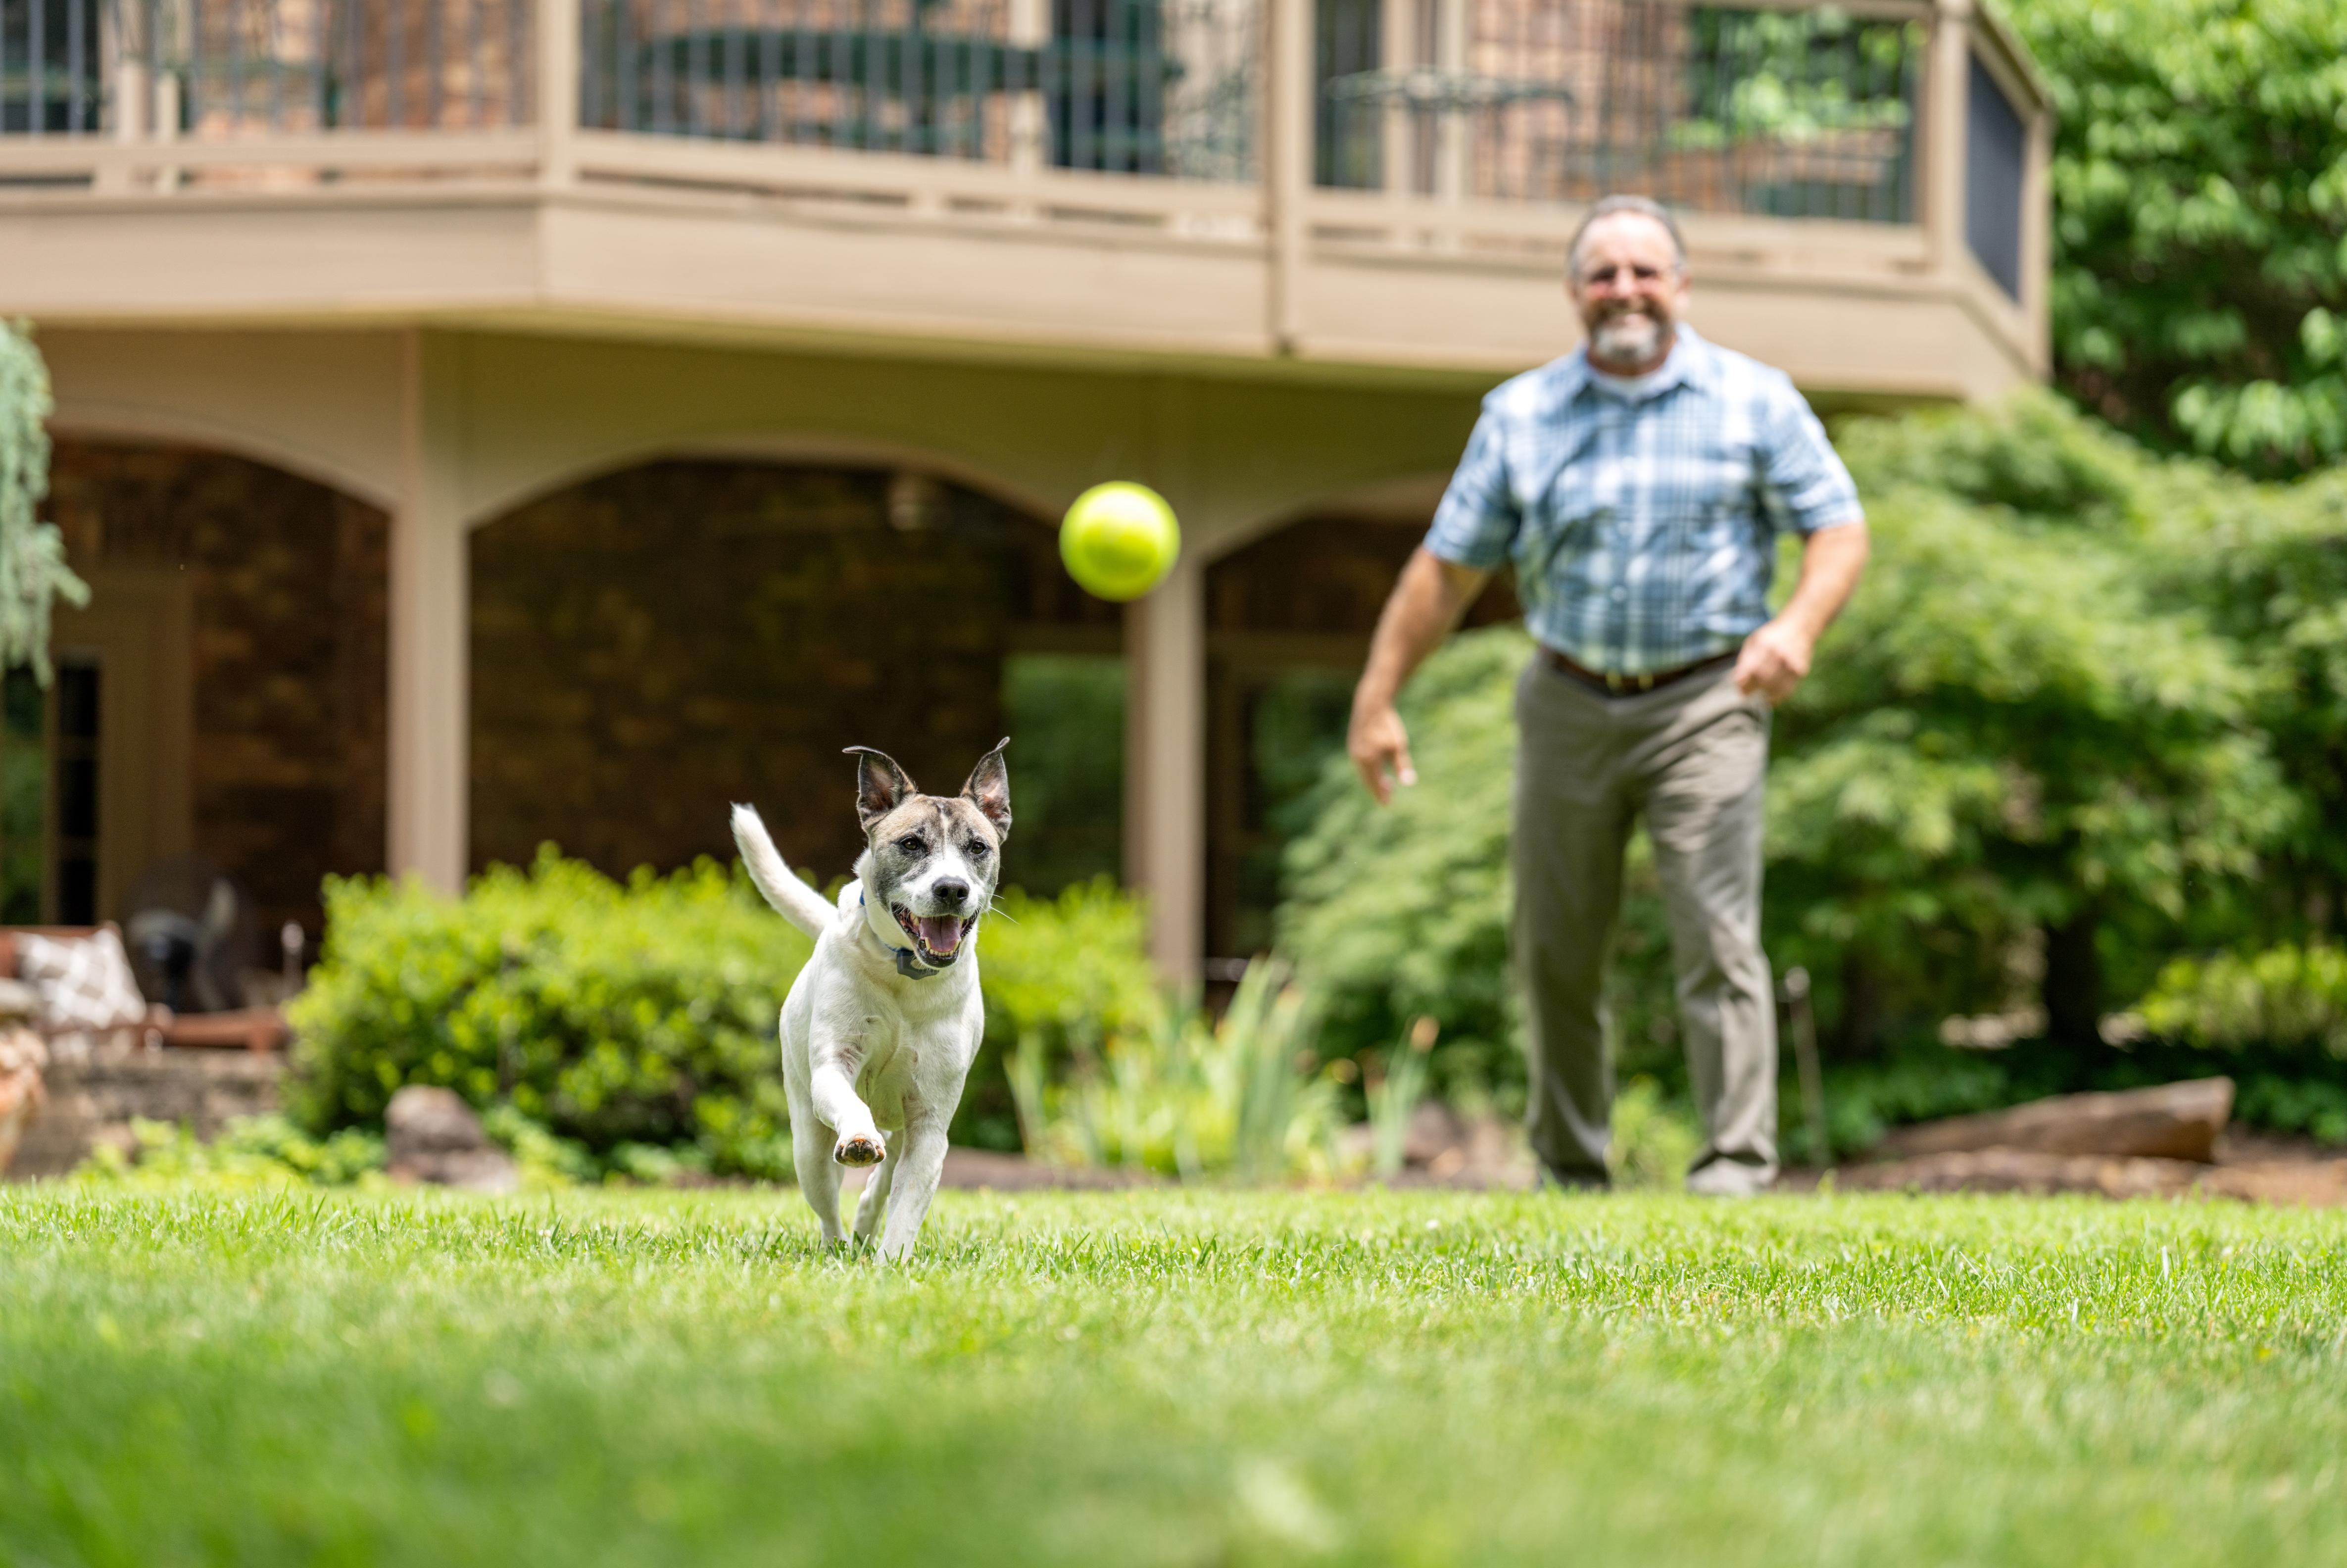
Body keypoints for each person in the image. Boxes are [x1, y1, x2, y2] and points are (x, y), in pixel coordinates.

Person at [1346, 194, 1868, 1195]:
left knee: (1717, 937)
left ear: (1679, 285)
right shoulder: (1521, 414)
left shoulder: (1753, 399)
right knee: (1554, 945)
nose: (1623, 290)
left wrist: (1794, 627)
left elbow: (1837, 528)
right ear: (1573, 293)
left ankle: (1734, 1168)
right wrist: (1377, 696)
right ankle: (1570, 1169)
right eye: (1602, 274)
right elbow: (1445, 571)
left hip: (1706, 701)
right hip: (1567, 700)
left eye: (1643, 271)